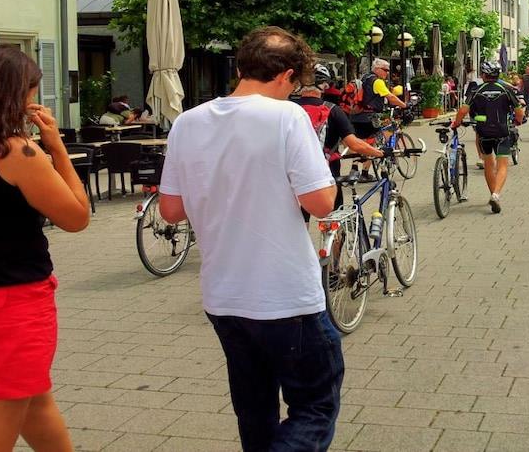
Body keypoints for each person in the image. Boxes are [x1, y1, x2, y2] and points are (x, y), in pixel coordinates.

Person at [158, 27, 343, 451]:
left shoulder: (187, 122)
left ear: (241, 66)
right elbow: (320, 203)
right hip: (285, 295)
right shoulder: (287, 117)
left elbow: (171, 210)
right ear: (287, 76)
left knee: (255, 410)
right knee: (315, 406)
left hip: (224, 296)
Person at [0, 45, 90, 451]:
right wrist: (57, 148)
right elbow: (76, 216)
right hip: (8, 302)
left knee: (32, 400)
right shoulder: (14, 151)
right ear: (18, 93)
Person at [295, 64, 388, 210]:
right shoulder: (332, 110)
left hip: (296, 171)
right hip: (327, 171)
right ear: (324, 85)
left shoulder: (288, 109)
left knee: (301, 213)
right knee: (335, 212)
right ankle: (335, 225)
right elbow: (354, 144)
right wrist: (380, 152)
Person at [450, 61, 524, 213]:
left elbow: (463, 110)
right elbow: (519, 111)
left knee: (489, 163)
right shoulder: (506, 89)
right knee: (502, 165)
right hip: (502, 131)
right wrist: (518, 121)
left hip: (483, 132)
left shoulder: (476, 90)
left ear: (483, 75)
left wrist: (456, 123)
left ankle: (492, 194)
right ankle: (496, 195)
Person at [348, 58, 407, 181]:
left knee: (359, 142)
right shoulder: (377, 81)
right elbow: (390, 97)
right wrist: (404, 105)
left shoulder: (364, 78)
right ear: (377, 69)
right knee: (373, 142)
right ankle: (364, 173)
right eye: (385, 70)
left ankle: (355, 169)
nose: (387, 73)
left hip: (356, 115)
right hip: (370, 117)